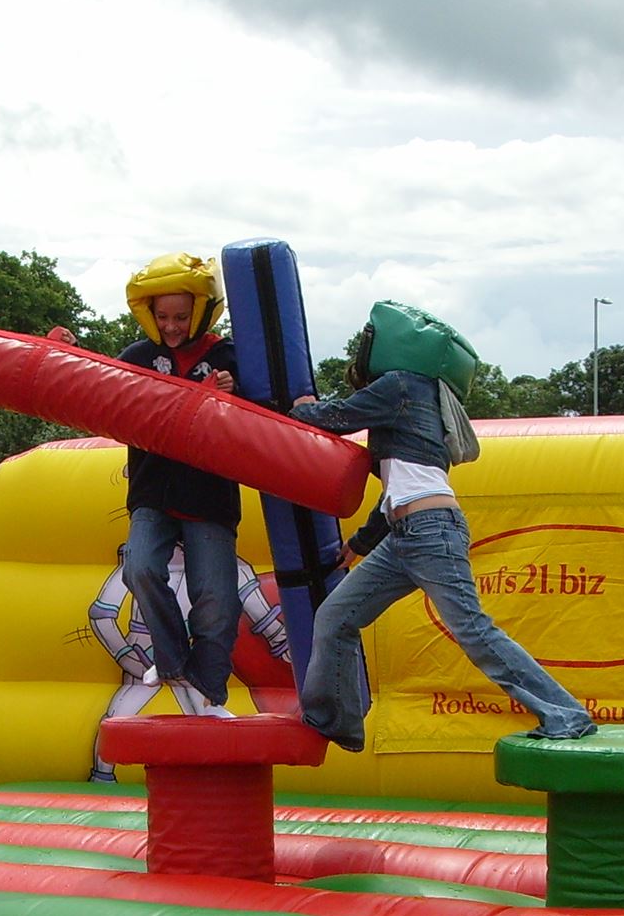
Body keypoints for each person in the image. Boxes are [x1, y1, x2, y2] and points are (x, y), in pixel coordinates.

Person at [283, 339, 596, 753]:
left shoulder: (400, 384)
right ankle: (334, 721)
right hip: (405, 534)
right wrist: (359, 543)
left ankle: (565, 713)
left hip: (431, 530)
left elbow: (337, 416)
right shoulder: (419, 398)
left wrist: (302, 407)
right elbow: (397, 487)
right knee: (336, 617)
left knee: (473, 629)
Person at [115, 251, 241, 717]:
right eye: (163, 316)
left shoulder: (227, 359)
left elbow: (262, 420)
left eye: (181, 317)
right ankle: (171, 662)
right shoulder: (139, 358)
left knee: (218, 600)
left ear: (203, 311)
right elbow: (95, 390)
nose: (171, 326)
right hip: (154, 491)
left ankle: (207, 689)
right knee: (141, 568)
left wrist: (233, 397)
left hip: (210, 496)